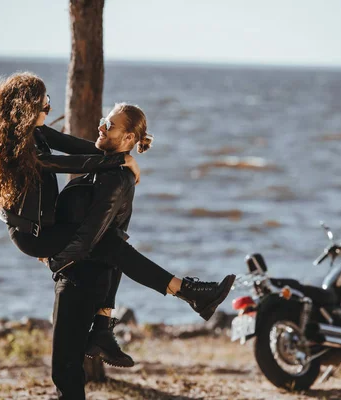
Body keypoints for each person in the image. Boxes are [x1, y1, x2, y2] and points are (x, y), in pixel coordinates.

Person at [48, 102, 235, 399]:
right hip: (84, 275)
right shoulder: (108, 164)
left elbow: (90, 236)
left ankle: (188, 291)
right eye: (102, 121)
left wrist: (57, 259)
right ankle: (187, 292)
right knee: (66, 370)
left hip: (81, 278)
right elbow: (66, 147)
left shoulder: (114, 177)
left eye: (109, 125)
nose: (100, 127)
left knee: (65, 370)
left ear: (128, 139)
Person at [0, 72, 139, 367]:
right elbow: (63, 164)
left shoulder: (36, 132)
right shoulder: (21, 146)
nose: (48, 109)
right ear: (27, 108)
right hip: (33, 234)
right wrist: (118, 161)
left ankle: (102, 328)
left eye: (48, 102)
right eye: (43, 104)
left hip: (45, 227)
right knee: (112, 243)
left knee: (111, 239)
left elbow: (74, 145)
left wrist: (120, 154)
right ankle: (177, 290)